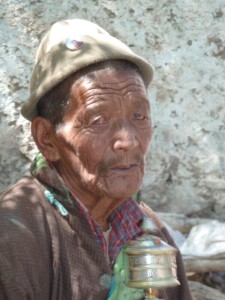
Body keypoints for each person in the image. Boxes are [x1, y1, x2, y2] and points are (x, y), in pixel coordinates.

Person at [0, 19, 193, 300]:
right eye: (98, 120)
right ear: (47, 139)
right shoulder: (14, 235)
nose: (128, 141)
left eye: (139, 117)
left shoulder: (148, 230)